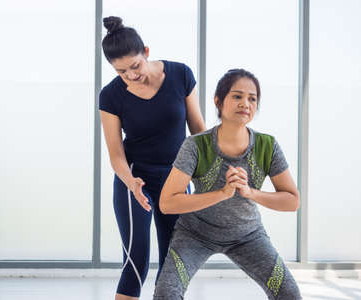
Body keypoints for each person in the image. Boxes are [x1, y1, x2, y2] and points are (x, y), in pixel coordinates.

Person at [153, 69, 302, 299]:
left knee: (289, 292)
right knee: (166, 292)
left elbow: (292, 201)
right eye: (237, 96)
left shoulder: (267, 145)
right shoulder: (195, 145)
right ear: (218, 101)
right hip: (195, 234)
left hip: (248, 235)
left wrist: (250, 192)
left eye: (252, 98)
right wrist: (222, 193)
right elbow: (167, 203)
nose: (246, 103)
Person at [99, 16, 206, 300]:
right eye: (122, 72)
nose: (131, 75)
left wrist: (208, 173)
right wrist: (131, 182)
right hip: (135, 180)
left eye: (135, 66)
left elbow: (197, 130)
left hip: (176, 179)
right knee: (136, 262)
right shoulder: (110, 96)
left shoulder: (180, 74)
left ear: (146, 52)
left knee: (174, 263)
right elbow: (115, 152)